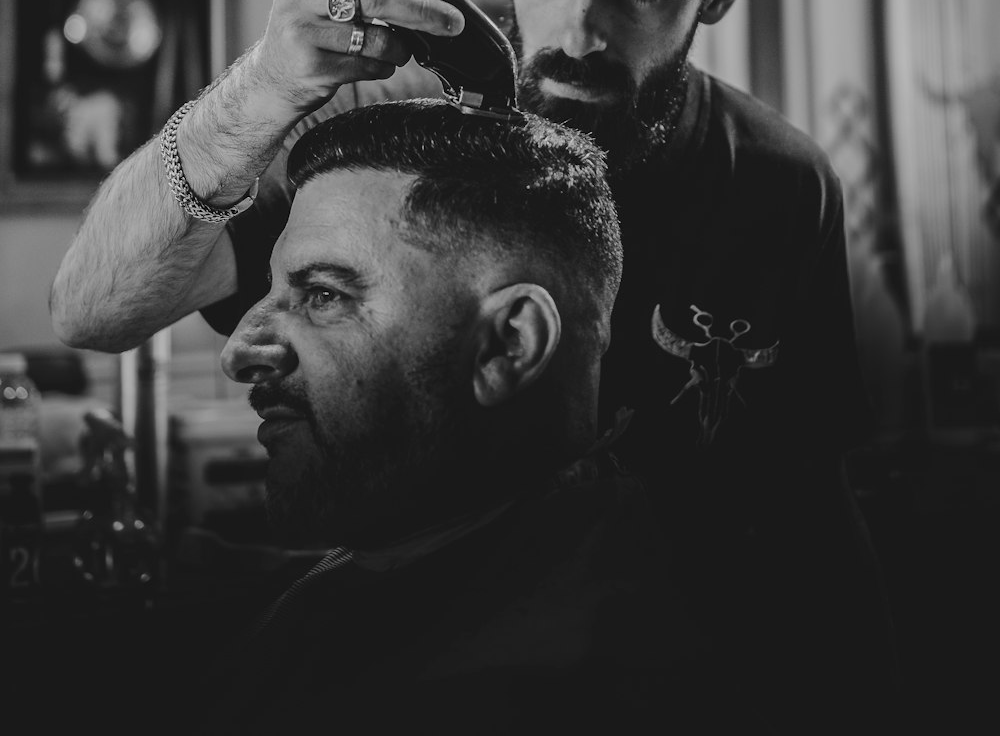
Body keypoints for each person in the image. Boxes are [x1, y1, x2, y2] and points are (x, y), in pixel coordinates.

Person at [50, 0, 897, 730]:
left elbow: (812, 496)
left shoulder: (778, 183)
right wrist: (259, 93)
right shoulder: (386, 130)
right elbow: (91, 308)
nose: (578, 30)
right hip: (413, 679)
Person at [171, 99, 747, 733]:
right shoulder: (434, 539)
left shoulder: (547, 687)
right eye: (273, 292)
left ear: (508, 344)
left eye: (324, 296)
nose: (240, 353)